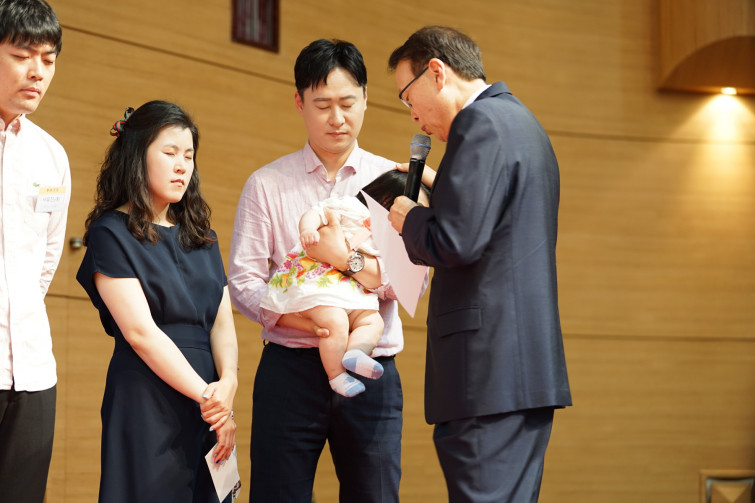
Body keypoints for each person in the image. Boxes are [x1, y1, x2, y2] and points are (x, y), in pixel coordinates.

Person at [387, 26, 572, 503]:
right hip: (519, 374)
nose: (413, 114)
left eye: (407, 97)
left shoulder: (479, 124)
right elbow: (495, 230)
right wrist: (443, 188)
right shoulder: (521, 123)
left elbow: (455, 242)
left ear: (437, 72)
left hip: (486, 373)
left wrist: (410, 217)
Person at [229, 39, 412, 502]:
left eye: (348, 103)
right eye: (323, 105)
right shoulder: (266, 184)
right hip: (290, 372)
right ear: (299, 102)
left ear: (366, 99)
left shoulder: (391, 180)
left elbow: (410, 282)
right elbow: (244, 282)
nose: (337, 118)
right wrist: (311, 322)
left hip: (372, 366)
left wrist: (345, 261)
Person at [76, 100, 238, 503]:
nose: (182, 166)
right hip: (147, 398)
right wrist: (210, 398)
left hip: (209, 400)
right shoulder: (111, 232)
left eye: (189, 156)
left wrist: (228, 385)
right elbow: (140, 333)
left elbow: (222, 323)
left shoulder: (203, 237)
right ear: (137, 155)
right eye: (169, 153)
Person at [260, 170, 430, 398]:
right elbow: (318, 212)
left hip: (354, 296)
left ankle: (356, 353)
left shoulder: (399, 244)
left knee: (373, 322)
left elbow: (403, 284)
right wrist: (308, 229)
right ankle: (337, 376)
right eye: (414, 209)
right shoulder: (352, 208)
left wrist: (344, 257)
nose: (416, 219)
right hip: (320, 288)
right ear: (388, 198)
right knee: (336, 321)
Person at [0, 1, 69, 501]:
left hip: (31, 368)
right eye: (23, 55)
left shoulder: (50, 154)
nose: (38, 72)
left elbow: (47, 259)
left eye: (48, 59)